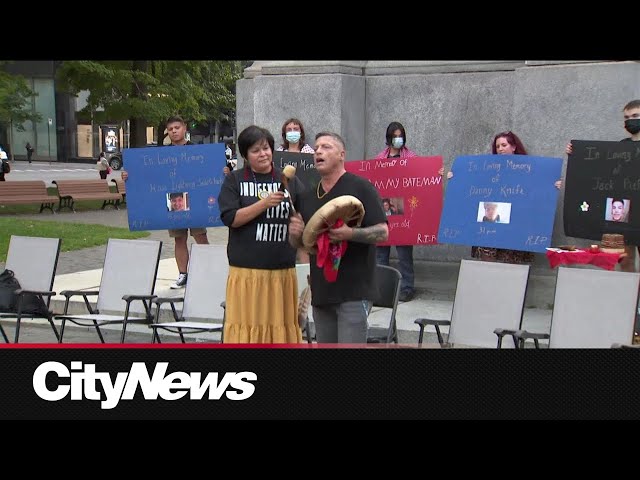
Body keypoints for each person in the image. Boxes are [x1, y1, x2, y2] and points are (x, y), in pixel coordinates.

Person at [288, 132, 389, 344]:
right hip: (322, 291)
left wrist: (350, 234)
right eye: (316, 148)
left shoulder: (361, 187)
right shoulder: (307, 196)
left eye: (326, 147)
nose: (318, 152)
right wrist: (295, 236)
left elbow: (383, 231)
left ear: (341, 154)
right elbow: (305, 245)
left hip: (354, 289)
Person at [218, 125, 305, 343]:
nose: (263, 154)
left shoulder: (289, 181)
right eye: (255, 150)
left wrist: (300, 226)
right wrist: (263, 204)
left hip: (281, 272)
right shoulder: (235, 180)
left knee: (278, 330)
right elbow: (231, 218)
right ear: (246, 155)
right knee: (247, 331)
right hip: (246, 273)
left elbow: (306, 216)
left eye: (266, 148)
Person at [122, 115, 209, 289]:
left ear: (184, 128)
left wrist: (223, 170)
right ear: (167, 132)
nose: (174, 131)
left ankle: (207, 271)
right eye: (170, 129)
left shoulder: (198, 150)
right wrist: (128, 176)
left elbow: (208, 170)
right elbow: (148, 175)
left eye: (177, 127)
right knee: (179, 238)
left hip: (194, 197)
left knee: (200, 235)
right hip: (174, 198)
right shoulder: (161, 153)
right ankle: (183, 274)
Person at [566, 99, 640, 273]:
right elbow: (600, 170)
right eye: (627, 117)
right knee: (625, 258)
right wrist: (576, 154)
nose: (630, 120)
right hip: (627, 212)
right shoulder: (622, 146)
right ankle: (628, 297)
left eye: (635, 116)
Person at [374, 121, 418, 301]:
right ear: (388, 138)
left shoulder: (412, 158)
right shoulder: (378, 160)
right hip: (384, 209)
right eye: (394, 136)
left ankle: (407, 287)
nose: (397, 139)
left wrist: (436, 173)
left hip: (404, 211)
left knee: (404, 254)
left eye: (400, 136)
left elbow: (422, 176)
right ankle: (381, 289)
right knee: (380, 254)